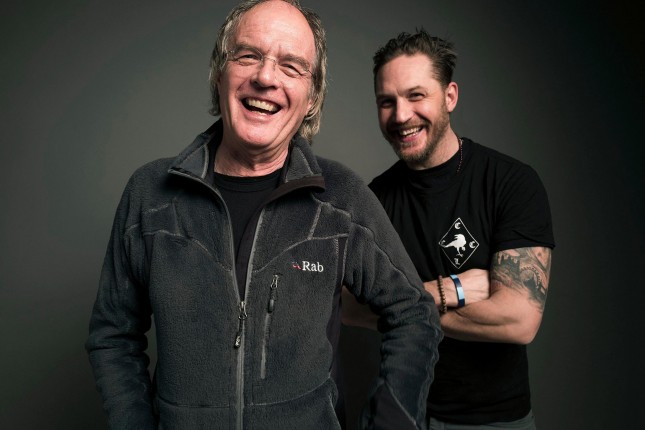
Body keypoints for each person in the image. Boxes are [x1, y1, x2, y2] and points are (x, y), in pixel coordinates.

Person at [85, 2, 442, 429]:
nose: (266, 77)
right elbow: (113, 336)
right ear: (219, 73)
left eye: (291, 66)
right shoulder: (151, 195)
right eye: (248, 55)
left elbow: (414, 314)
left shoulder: (341, 199)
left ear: (312, 97)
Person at [343, 30, 554, 429]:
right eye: (387, 102)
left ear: (450, 96)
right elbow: (350, 308)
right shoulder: (373, 200)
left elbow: (518, 320)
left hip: (493, 421)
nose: (400, 115)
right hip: (402, 412)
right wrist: (451, 289)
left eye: (416, 95)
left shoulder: (511, 183)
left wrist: (399, 307)